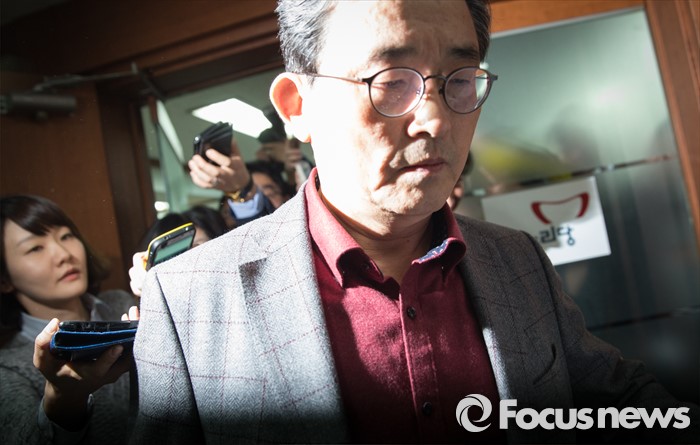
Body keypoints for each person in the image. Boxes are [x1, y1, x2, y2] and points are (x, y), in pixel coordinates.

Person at [131, 1, 699, 443]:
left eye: (459, 79)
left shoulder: (517, 259)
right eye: (390, 80)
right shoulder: (187, 300)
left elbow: (615, 397)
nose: (435, 119)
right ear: (298, 106)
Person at [0, 194, 134, 445]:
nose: (63, 254)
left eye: (66, 236)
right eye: (35, 248)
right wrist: (63, 399)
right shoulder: (7, 369)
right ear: (4, 279)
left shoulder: (121, 302)